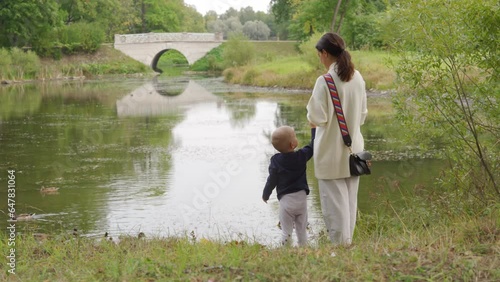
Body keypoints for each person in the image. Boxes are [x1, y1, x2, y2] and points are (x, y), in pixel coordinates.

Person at [306, 33, 368, 247]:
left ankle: (341, 249)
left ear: (324, 53)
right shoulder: (357, 77)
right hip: (354, 150)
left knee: (335, 206)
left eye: (319, 55)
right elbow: (362, 115)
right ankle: (347, 246)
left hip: (331, 152)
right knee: (350, 202)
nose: (319, 59)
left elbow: (316, 118)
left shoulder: (325, 81)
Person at [262, 125, 316, 246]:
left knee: (286, 232)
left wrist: (266, 194)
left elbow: (272, 180)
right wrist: (314, 129)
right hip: (301, 201)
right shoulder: (301, 156)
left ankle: (286, 250)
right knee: (301, 230)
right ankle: (304, 249)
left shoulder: (275, 160)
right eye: (295, 136)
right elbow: (313, 146)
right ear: (293, 144)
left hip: (286, 203)